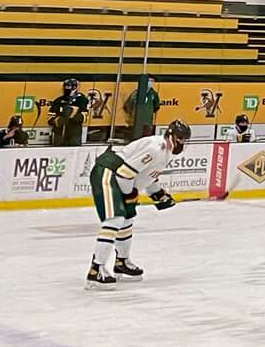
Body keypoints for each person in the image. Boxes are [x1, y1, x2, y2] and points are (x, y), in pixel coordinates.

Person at [86, 119, 191, 286]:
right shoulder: (155, 148)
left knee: (127, 219)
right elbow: (124, 174)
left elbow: (146, 177)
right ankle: (96, 269)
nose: (182, 143)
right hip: (107, 172)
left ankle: (121, 262)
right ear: (171, 135)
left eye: (184, 140)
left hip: (119, 178)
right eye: (181, 139)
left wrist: (158, 194)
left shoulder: (165, 152)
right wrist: (130, 194)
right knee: (115, 219)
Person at [47, 78, 89, 146]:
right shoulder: (58, 100)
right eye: (66, 86)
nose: (66, 89)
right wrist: (58, 120)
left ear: (75, 87)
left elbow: (84, 117)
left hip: (74, 134)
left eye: (69, 87)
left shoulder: (81, 100)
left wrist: (72, 115)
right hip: (59, 134)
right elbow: (50, 118)